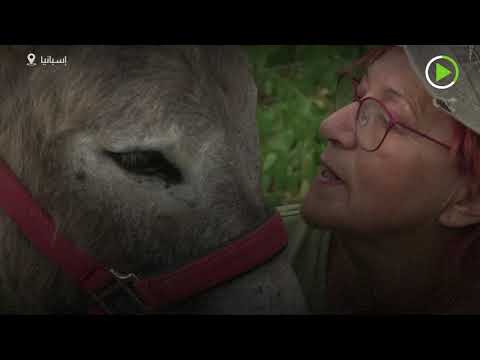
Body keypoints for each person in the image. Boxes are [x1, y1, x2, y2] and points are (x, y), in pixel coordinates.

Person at [279, 45, 480, 314]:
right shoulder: (239, 259)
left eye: (387, 121)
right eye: (358, 95)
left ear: (470, 198)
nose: (330, 127)